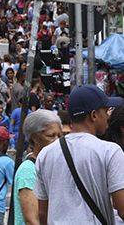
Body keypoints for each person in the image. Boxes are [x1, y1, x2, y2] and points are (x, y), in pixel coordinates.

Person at [35, 85, 124, 224]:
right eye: (105, 111)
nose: (108, 116)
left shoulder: (45, 155)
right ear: (94, 115)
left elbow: (42, 212)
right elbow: (122, 208)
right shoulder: (110, 151)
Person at [13, 109, 62, 225]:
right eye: (51, 135)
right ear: (35, 137)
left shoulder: (52, 166)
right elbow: (32, 220)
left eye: (60, 136)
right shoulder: (28, 170)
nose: (57, 141)